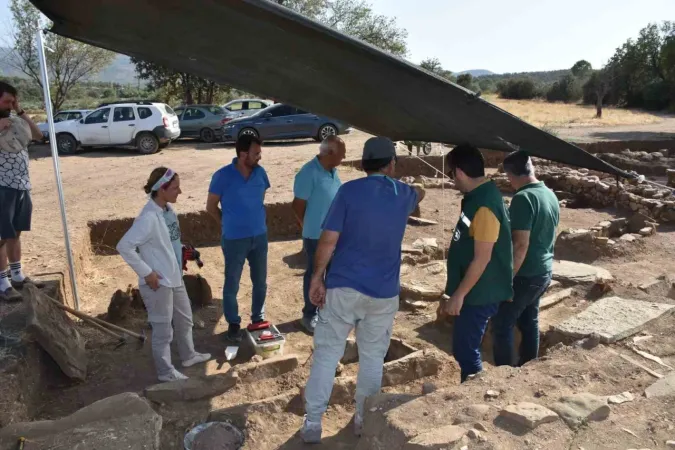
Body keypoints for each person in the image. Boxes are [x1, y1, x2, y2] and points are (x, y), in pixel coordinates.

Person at [301, 137, 425, 444]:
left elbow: (328, 240)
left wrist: (317, 277)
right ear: (391, 164)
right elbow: (420, 192)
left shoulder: (348, 191)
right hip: (382, 294)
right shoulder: (403, 194)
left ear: (364, 164)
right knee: (371, 359)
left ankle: (313, 424)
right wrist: (414, 185)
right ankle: (362, 421)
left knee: (327, 355)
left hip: (343, 288)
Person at [117, 167, 211, 382]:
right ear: (161, 189)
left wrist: (182, 253)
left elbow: (169, 242)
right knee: (162, 329)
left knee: (185, 318)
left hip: (174, 276)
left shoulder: (167, 210)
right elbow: (124, 246)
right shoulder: (148, 218)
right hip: (158, 282)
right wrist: (147, 273)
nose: (180, 191)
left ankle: (188, 356)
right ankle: (165, 371)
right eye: (176, 187)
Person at [441, 145, 513, 383]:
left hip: (479, 292)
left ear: (459, 173)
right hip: (475, 289)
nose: (452, 181)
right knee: (464, 346)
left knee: (465, 350)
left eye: (451, 174)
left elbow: (483, 256)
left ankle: (475, 393)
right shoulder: (478, 197)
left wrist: (459, 295)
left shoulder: (484, 206)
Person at [492, 151, 559, 367]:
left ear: (510, 175)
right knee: (529, 320)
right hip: (544, 269)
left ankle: (504, 373)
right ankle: (529, 366)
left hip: (526, 273)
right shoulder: (549, 193)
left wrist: (506, 279)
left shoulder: (523, 198)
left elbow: (520, 244)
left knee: (502, 323)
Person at [207, 135, 271, 342]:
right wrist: (226, 224)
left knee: (260, 281)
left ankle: (258, 318)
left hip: (259, 237)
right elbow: (210, 207)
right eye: (256, 154)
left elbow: (260, 200)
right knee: (232, 283)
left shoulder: (261, 174)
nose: (259, 157)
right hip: (234, 240)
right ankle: (234, 323)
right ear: (243, 155)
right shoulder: (222, 176)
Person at [292, 135, 346, 334]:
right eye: (341, 153)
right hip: (316, 235)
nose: (344, 157)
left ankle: (327, 310)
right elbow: (297, 205)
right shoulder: (308, 173)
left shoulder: (333, 171)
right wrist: (308, 226)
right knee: (315, 274)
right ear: (330, 153)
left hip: (333, 234)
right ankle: (309, 314)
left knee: (332, 273)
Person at [0, 81, 44, 301]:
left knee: (15, 233)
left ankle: (17, 275)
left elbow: (38, 135)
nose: (10, 104)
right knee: (2, 236)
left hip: (21, 185)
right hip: (2, 186)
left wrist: (21, 111)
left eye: (13, 101)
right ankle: (2, 282)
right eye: (7, 100)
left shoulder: (15, 119)